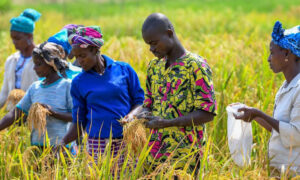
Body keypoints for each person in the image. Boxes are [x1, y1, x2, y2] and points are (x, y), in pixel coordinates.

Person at [58, 26, 144, 175]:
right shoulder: (79, 82)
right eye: (77, 57)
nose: (79, 61)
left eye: (82, 55)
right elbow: (79, 121)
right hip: (97, 144)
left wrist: (132, 116)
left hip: (127, 141)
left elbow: (140, 102)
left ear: (95, 49)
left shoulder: (123, 70)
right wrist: (62, 142)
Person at [140, 13, 216, 174]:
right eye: (148, 45)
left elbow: (207, 113)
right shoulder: (154, 67)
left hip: (186, 156)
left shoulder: (195, 66)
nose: (151, 49)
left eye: (154, 43)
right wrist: (141, 116)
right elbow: (148, 103)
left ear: (169, 34)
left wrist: (167, 122)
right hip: (155, 155)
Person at [234, 21, 300, 177]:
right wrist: (254, 115)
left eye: (272, 52)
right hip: (280, 168)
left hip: (294, 171)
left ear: (287, 54)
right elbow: (280, 130)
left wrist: (259, 113)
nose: (269, 59)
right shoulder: (286, 86)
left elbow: (296, 135)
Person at [0, 42, 73, 149]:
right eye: (34, 64)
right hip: (36, 147)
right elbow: (16, 113)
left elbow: (76, 117)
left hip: (60, 148)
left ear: (51, 63)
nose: (34, 68)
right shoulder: (35, 88)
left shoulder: (67, 86)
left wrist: (53, 113)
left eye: (38, 64)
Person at [0, 9, 41, 108]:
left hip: (33, 114)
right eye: (12, 38)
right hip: (12, 115)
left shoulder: (42, 59)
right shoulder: (12, 60)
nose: (14, 42)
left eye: (17, 38)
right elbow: (5, 92)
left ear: (29, 36)